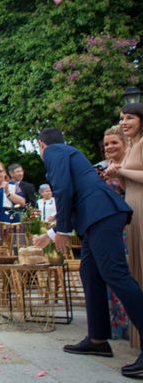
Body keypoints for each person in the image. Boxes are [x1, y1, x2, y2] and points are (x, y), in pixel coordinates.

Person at [33, 128, 143, 379]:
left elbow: (63, 189)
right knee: (90, 273)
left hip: (101, 214)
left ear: (41, 145)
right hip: (96, 216)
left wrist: (61, 230)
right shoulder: (67, 152)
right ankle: (97, 338)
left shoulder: (53, 151)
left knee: (116, 275)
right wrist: (52, 234)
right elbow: (72, 193)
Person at [106, 104, 143, 351]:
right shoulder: (133, 146)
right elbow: (126, 181)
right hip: (131, 208)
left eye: (130, 117)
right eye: (122, 118)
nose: (125, 122)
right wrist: (116, 174)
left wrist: (122, 170)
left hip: (141, 206)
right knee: (135, 271)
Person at [98, 125, 129, 341]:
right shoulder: (101, 168)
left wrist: (120, 176)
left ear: (126, 144)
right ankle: (117, 326)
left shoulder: (131, 165)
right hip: (109, 228)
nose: (109, 147)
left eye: (114, 143)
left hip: (130, 225)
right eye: (107, 144)